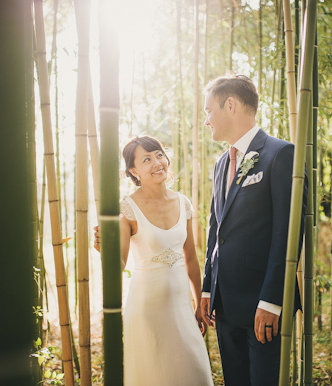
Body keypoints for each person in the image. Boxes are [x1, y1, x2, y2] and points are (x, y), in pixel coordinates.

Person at [200, 73, 306, 386]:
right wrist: (208, 288)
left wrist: (272, 301)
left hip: (262, 305)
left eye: (209, 111)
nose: (206, 120)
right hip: (224, 302)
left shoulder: (280, 155)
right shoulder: (221, 163)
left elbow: (286, 233)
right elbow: (215, 230)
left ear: (229, 105)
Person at [94, 136, 213, 386]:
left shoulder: (183, 202)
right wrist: (104, 247)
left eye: (159, 154)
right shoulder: (128, 208)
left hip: (181, 305)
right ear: (133, 171)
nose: (157, 162)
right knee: (155, 375)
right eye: (146, 159)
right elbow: (120, 263)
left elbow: (191, 258)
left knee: (195, 373)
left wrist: (200, 302)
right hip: (147, 309)